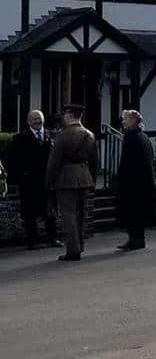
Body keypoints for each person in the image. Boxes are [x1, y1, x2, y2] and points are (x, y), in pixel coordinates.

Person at [45, 104, 98, 262]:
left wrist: (49, 182)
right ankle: (80, 245)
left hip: (66, 177)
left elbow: (53, 162)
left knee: (68, 215)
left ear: (68, 116)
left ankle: (73, 250)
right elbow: (95, 161)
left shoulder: (63, 135)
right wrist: (92, 180)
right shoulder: (89, 134)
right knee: (81, 215)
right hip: (84, 176)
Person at [4, 110, 59, 248]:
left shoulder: (51, 136)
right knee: (29, 213)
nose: (37, 121)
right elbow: (12, 161)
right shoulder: (20, 138)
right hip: (29, 181)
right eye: (34, 119)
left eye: (39, 119)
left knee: (49, 211)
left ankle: (52, 238)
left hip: (46, 180)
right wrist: (18, 178)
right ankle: (32, 240)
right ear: (28, 121)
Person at [114, 109, 156, 252]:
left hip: (133, 182)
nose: (123, 122)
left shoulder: (132, 137)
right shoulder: (143, 137)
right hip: (142, 182)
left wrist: (121, 178)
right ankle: (136, 239)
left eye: (125, 119)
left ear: (133, 121)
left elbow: (127, 162)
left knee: (133, 212)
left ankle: (135, 240)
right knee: (137, 213)